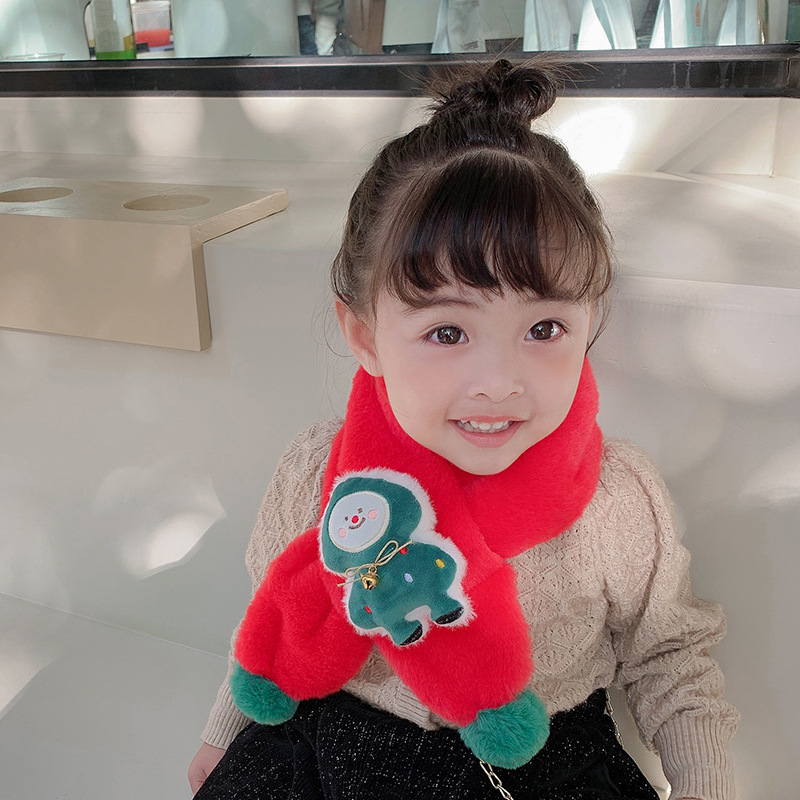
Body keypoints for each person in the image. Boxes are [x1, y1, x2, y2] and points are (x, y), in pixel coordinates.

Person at [187, 59, 739, 800]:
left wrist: (705, 782)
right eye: (447, 333)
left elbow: (669, 655)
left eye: (543, 328)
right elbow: (275, 614)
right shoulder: (317, 470)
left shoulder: (615, 500)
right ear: (365, 335)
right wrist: (222, 735)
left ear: (588, 322)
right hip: (330, 750)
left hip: (538, 766)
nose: (499, 381)